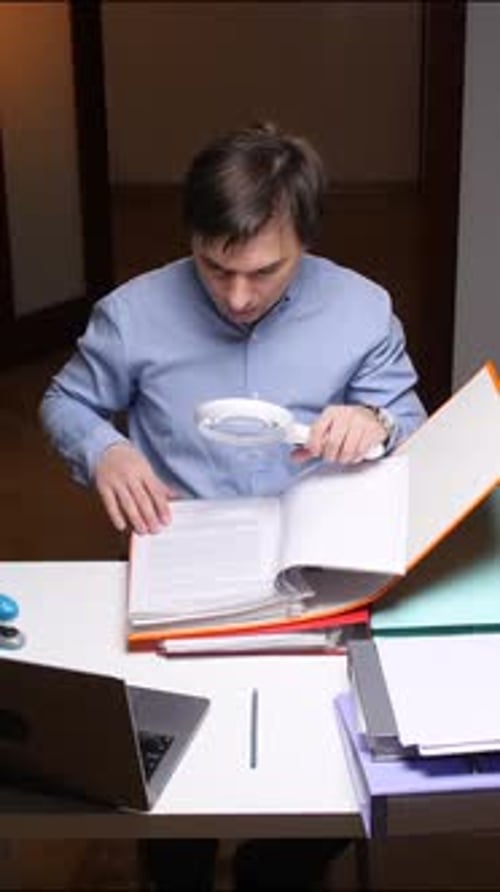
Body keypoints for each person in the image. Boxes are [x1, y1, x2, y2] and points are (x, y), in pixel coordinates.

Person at [40, 122, 426, 891]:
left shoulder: (362, 310)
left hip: (318, 575)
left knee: (338, 776)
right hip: (180, 568)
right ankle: (177, 869)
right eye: (216, 270)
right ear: (192, 237)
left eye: (263, 272)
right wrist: (104, 448)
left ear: (304, 240)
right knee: (163, 787)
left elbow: (412, 427)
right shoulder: (133, 313)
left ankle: (272, 867)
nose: (239, 297)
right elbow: (64, 402)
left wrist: (376, 423)